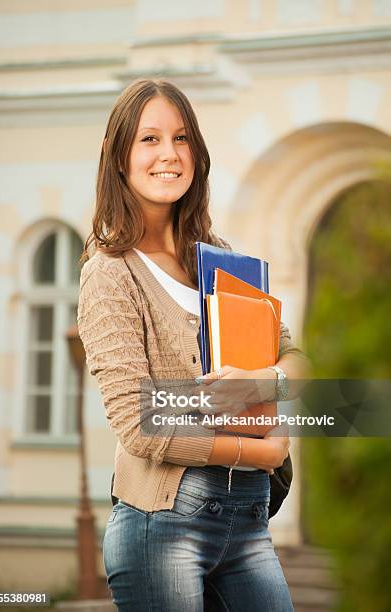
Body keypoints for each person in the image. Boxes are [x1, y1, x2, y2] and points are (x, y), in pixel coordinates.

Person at [78, 79, 310, 611]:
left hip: (249, 519)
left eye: (182, 139)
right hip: (163, 524)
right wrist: (263, 451)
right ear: (120, 159)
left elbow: (295, 359)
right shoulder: (110, 274)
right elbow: (140, 423)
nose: (169, 155)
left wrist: (263, 381)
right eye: (149, 139)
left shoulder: (221, 258)